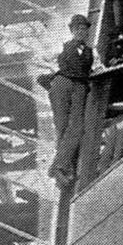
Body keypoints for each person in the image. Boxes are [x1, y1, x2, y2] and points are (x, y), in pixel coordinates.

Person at [46, 15, 94, 187]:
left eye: (84, 29)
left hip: (78, 87)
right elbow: (71, 66)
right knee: (64, 127)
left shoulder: (88, 52)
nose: (82, 32)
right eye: (78, 29)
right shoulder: (68, 48)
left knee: (74, 127)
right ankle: (62, 167)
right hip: (65, 84)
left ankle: (59, 167)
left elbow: (87, 69)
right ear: (72, 31)